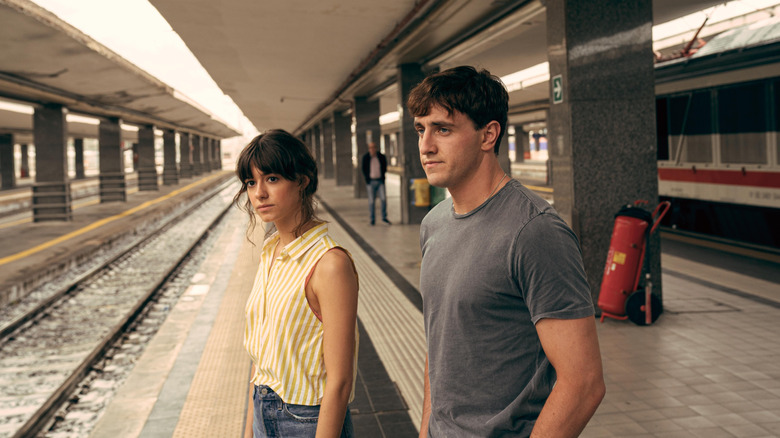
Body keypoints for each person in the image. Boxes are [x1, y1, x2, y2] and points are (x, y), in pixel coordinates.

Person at [409, 66, 605, 437]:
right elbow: (441, 345)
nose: (425, 145)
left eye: (443, 129)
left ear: (488, 135)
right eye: (421, 129)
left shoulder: (535, 232)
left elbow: (584, 382)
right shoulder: (433, 224)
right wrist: (426, 429)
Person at [233, 129, 359, 438]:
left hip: (306, 421)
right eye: (251, 182)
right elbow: (262, 356)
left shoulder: (330, 264)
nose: (259, 193)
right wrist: (250, 430)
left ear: (302, 181)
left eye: (272, 179)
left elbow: (340, 382)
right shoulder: (271, 250)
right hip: (262, 408)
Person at [361, 142, 391, 225]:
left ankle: (384, 217)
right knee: (371, 201)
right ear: (369, 149)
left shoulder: (381, 157)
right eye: (370, 148)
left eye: (373, 147)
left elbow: (384, 167)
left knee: (383, 199)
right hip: (371, 182)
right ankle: (372, 219)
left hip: (380, 181)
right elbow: (363, 169)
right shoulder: (366, 158)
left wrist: (382, 176)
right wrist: (367, 179)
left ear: (376, 148)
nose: (372, 149)